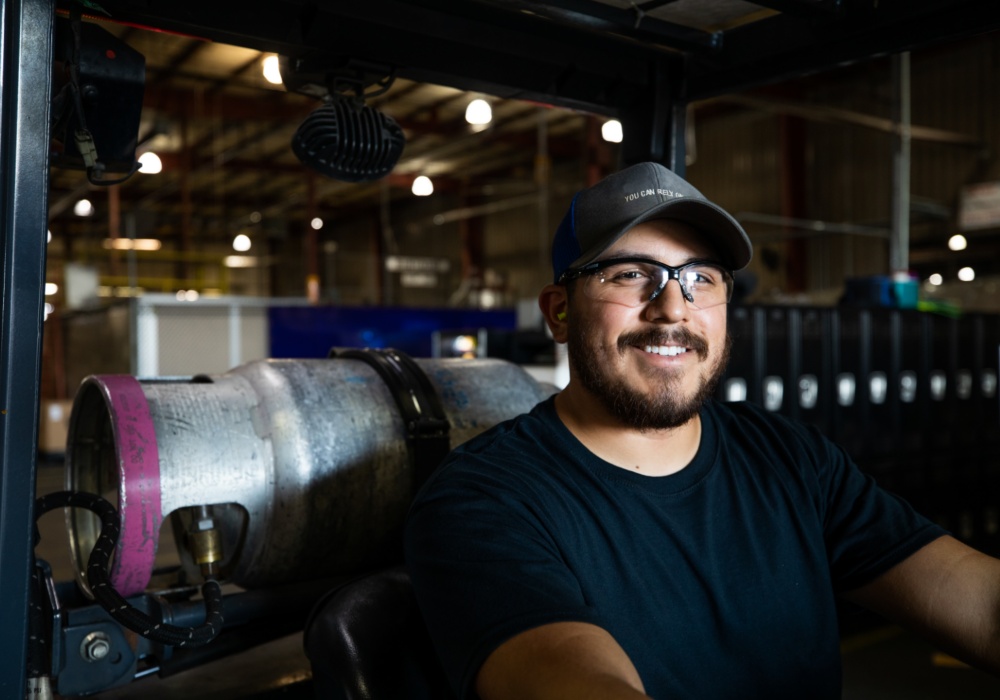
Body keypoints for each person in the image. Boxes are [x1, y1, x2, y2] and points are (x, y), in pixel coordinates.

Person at [404, 162, 1000, 699]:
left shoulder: (791, 459)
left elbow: (975, 599)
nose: (673, 308)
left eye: (701, 278)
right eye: (631, 273)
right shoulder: (482, 501)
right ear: (560, 310)